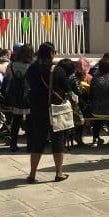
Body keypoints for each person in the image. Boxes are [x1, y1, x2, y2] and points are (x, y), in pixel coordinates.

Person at [25, 42, 69, 181]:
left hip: (37, 108)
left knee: (38, 140)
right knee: (58, 140)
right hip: (54, 108)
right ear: (51, 53)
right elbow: (67, 87)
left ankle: (32, 174)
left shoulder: (32, 68)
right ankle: (59, 172)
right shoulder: (57, 70)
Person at [2, 44, 34, 152]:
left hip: (15, 95)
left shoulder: (11, 65)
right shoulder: (31, 66)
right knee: (30, 122)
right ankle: (30, 145)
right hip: (28, 95)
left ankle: (13, 144)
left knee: (16, 121)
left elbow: (7, 78)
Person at [88, 59, 109, 146]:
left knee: (97, 117)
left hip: (96, 111)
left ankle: (95, 138)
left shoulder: (94, 80)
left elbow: (91, 95)